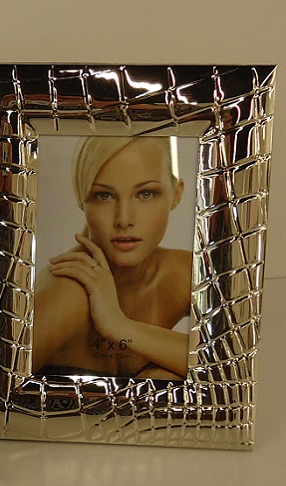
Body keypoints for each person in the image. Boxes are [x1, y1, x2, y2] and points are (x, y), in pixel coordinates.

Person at [33, 137, 192, 380]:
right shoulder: (68, 290)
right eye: (104, 196)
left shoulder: (182, 273)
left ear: (176, 194)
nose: (124, 219)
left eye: (146, 193)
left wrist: (119, 325)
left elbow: (234, 365)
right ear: (81, 198)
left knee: (163, 377)